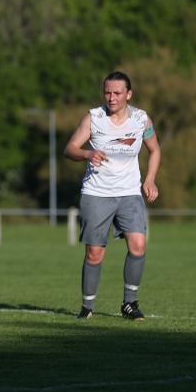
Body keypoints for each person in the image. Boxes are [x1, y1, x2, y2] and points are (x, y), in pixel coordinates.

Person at [63, 71, 161, 320]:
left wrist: (149, 179)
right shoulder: (94, 118)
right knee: (95, 253)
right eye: (107, 92)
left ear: (129, 94)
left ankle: (130, 303)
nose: (111, 97)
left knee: (138, 245)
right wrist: (87, 154)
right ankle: (87, 307)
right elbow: (70, 148)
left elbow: (155, 150)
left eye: (117, 93)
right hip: (97, 193)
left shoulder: (141, 120)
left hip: (129, 193)